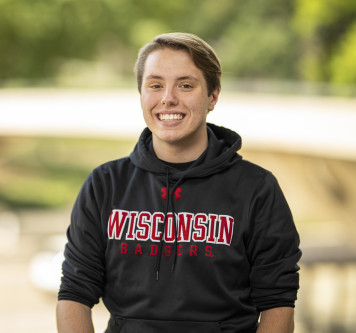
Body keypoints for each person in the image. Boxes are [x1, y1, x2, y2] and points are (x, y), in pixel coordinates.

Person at [57, 32, 301, 333]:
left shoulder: (257, 189)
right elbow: (74, 292)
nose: (168, 98)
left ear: (212, 96)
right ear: (142, 94)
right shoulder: (104, 185)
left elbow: (278, 300)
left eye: (185, 85)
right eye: (155, 85)